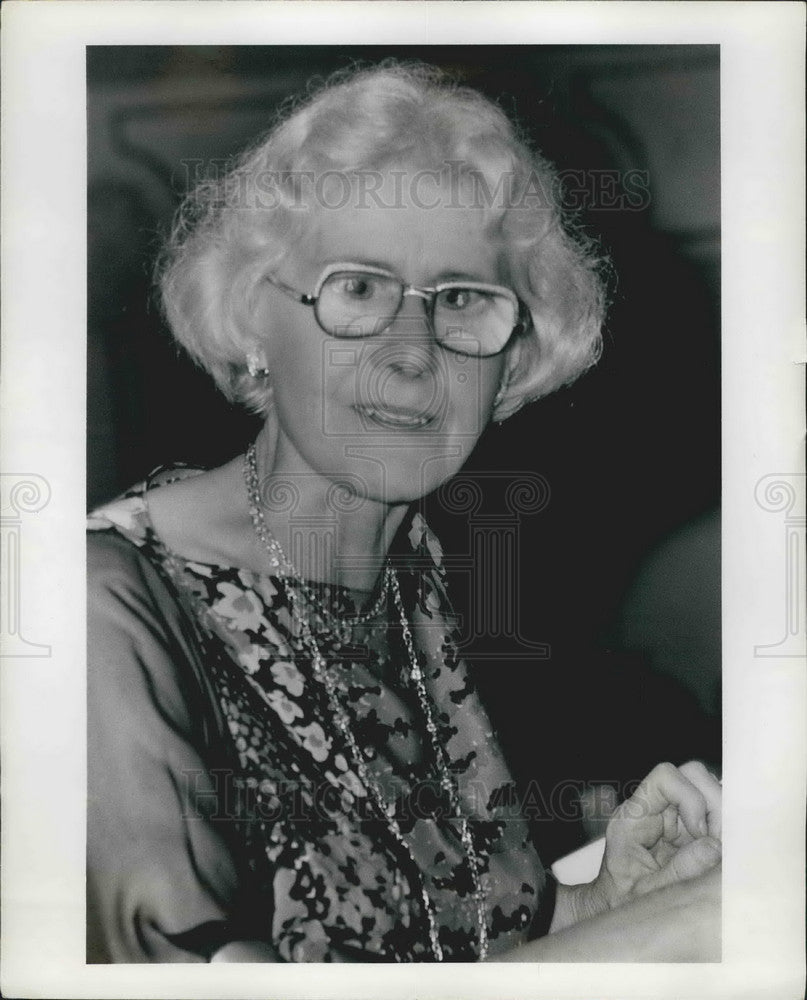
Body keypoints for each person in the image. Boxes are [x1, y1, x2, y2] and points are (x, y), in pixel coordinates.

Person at [87, 61, 721, 963]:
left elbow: (425, 956)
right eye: (358, 288)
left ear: (514, 361)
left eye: (461, 300)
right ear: (253, 320)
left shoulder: (409, 581)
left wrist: (599, 908)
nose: (413, 351)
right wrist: (672, 935)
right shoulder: (108, 607)